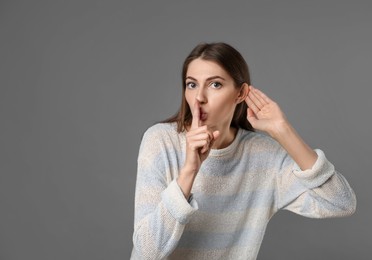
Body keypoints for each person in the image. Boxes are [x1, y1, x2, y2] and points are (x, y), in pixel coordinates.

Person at [130, 42, 356, 260]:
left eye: (215, 84)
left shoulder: (263, 156)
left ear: (240, 93)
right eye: (192, 84)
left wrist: (283, 131)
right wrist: (188, 172)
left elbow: (341, 202)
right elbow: (147, 251)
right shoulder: (160, 140)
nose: (199, 97)